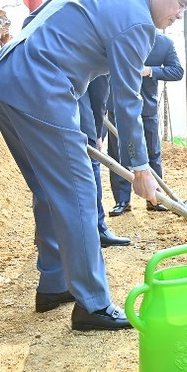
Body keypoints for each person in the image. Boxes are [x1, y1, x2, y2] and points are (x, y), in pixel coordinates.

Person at [0, 0, 187, 330]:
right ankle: (92, 304)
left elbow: (36, 21)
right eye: (181, 3)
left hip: (7, 79)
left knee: (49, 189)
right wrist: (140, 168)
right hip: (40, 87)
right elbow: (127, 100)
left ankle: (55, 283)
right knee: (77, 190)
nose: (180, 14)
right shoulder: (138, 21)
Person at [108, 32, 184, 216]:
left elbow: (177, 71)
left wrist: (150, 71)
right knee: (117, 153)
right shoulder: (119, 36)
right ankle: (122, 201)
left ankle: (155, 199)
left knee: (153, 153)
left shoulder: (164, 43)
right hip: (117, 105)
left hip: (147, 106)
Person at [77, 75, 131, 247]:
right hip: (80, 119)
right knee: (90, 173)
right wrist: (98, 132)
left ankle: (49, 233)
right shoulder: (101, 48)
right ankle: (98, 229)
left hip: (44, 115)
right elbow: (99, 93)